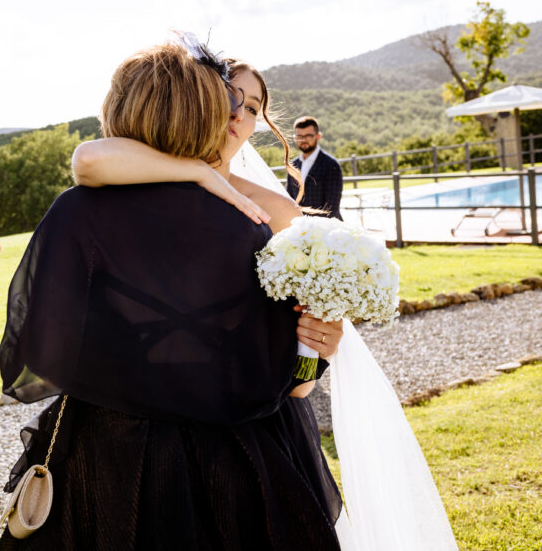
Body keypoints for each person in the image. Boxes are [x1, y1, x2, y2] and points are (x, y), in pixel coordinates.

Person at [60, 51, 458, 550]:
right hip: (129, 433)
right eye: (228, 97)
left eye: (252, 108)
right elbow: (88, 160)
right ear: (195, 99)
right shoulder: (130, 180)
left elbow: (296, 382)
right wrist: (201, 174)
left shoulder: (275, 212)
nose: (238, 115)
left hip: (243, 430)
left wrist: (320, 346)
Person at [0, 37, 344, 550]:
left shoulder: (76, 211)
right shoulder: (249, 231)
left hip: (102, 454)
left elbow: (42, 349)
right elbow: (289, 385)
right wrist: (315, 352)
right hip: (233, 461)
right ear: (202, 112)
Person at [286, 115, 344, 219]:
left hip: (326, 228)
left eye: (308, 136)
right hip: (300, 227)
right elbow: (289, 201)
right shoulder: (292, 166)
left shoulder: (331, 165)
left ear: (318, 136)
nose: (303, 140)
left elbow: (331, 208)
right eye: (299, 136)